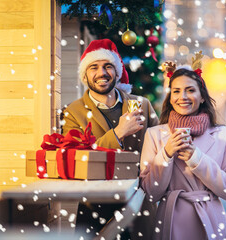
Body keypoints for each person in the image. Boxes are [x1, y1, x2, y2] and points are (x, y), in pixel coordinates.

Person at [62, 39, 159, 239]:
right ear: (85, 75)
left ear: (117, 72)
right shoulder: (74, 112)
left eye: (108, 66)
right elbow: (77, 159)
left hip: (139, 203)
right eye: (93, 67)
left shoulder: (142, 105)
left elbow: (160, 146)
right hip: (94, 205)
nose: (101, 73)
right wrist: (118, 133)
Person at [139, 52, 226, 240]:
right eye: (176, 91)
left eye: (190, 90)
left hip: (211, 222)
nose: (183, 97)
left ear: (202, 96)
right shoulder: (154, 135)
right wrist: (166, 155)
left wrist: (198, 160)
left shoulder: (224, 135)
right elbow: (150, 193)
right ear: (170, 97)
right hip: (170, 220)